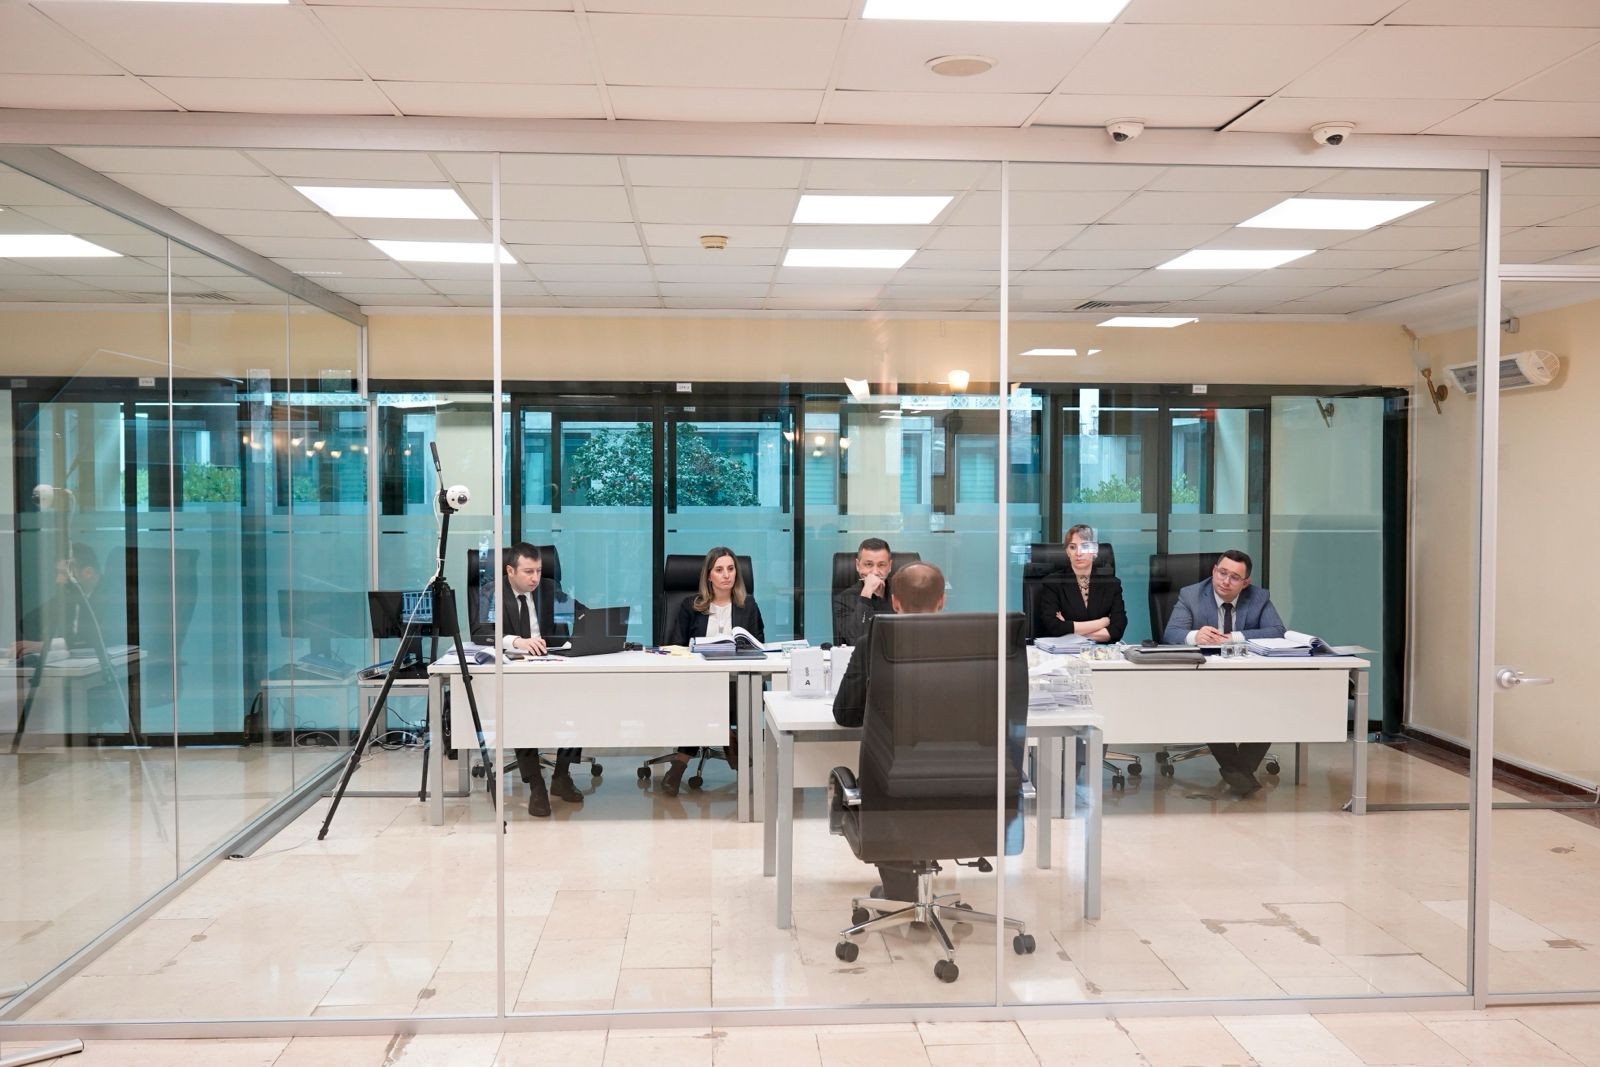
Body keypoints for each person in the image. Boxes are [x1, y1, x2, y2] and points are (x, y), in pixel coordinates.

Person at [831, 561, 946, 903]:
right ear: (942, 602)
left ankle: (900, 891)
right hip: (964, 788)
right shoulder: (975, 642)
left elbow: (846, 714)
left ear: (894, 602)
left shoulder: (872, 643)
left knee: (891, 782)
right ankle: (912, 891)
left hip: (893, 786)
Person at [1162, 548, 1287, 796]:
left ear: (1245, 583)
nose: (1225, 581)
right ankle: (1240, 774)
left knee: (1272, 703)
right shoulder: (1192, 595)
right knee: (1210, 703)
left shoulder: (1258, 597)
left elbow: (1277, 631)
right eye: (1222, 573)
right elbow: (1170, 633)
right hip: (1204, 678)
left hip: (1248, 679)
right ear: (1214, 571)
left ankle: (1239, 772)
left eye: (1234, 577)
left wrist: (1234, 637)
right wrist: (1194, 636)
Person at [470, 542, 580, 818]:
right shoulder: (491, 592)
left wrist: (603, 626)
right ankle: (536, 785)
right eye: (528, 572)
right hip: (515, 673)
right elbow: (480, 632)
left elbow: (581, 613)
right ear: (510, 571)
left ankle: (561, 776)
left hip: (551, 666)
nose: (535, 578)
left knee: (580, 704)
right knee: (522, 712)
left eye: (539, 571)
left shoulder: (548, 589)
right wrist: (516, 641)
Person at [661, 546, 765, 797]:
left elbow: (759, 644)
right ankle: (729, 739)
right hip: (699, 681)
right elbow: (676, 646)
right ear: (709, 575)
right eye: (719, 570)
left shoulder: (748, 605)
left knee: (709, 701)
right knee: (703, 698)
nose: (726, 575)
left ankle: (679, 764)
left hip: (737, 682)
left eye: (730, 569)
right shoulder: (691, 605)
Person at [15, 543, 120, 657]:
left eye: (64, 574)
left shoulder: (116, 595)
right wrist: (40, 645)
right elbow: (28, 622)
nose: (58, 580)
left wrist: (50, 645)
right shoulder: (70, 594)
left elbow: (104, 636)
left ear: (88, 573)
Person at [1035, 524, 1126, 643]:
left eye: (1085, 546)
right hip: (1064, 651)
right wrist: (1103, 622)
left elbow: (1117, 629)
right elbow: (1054, 627)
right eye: (1072, 547)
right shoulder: (1053, 583)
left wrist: (1070, 629)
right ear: (1067, 551)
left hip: (1099, 652)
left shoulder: (1111, 585)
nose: (1078, 553)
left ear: (1095, 550)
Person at [832, 537, 894, 647]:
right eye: (868, 564)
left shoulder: (902, 594)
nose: (875, 572)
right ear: (858, 565)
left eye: (881, 565)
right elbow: (855, 640)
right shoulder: (843, 599)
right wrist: (866, 594)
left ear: (889, 566)